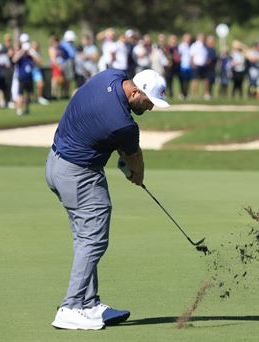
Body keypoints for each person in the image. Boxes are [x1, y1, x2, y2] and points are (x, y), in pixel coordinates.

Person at [46, 68, 169, 330]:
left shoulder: (111, 75)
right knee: (93, 239)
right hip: (78, 175)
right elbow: (134, 159)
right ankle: (71, 307)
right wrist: (138, 175)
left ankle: (89, 304)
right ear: (135, 92)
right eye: (148, 102)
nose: (149, 109)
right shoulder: (123, 124)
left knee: (84, 238)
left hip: (56, 164)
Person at [12, 42, 38, 116]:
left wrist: (32, 53)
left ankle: (27, 109)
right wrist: (21, 51)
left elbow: (38, 62)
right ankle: (19, 110)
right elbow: (14, 60)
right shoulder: (21, 57)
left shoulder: (30, 57)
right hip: (22, 78)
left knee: (29, 95)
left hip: (29, 78)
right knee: (20, 95)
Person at [189, 33, 208, 99]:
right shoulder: (194, 45)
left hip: (203, 65)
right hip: (196, 65)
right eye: (201, 37)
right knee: (195, 80)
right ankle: (195, 94)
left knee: (205, 80)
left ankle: (205, 94)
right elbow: (191, 55)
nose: (202, 39)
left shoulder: (204, 46)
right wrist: (192, 63)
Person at [177, 33, 192, 99]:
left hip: (189, 66)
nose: (188, 39)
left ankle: (186, 93)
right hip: (183, 66)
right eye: (187, 38)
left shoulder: (190, 46)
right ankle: (182, 93)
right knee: (183, 80)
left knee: (188, 80)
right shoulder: (181, 46)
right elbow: (178, 55)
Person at [203, 35, 218, 100]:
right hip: (207, 67)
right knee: (207, 80)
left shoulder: (213, 49)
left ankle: (210, 93)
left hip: (212, 68)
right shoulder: (205, 49)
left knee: (212, 81)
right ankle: (206, 94)